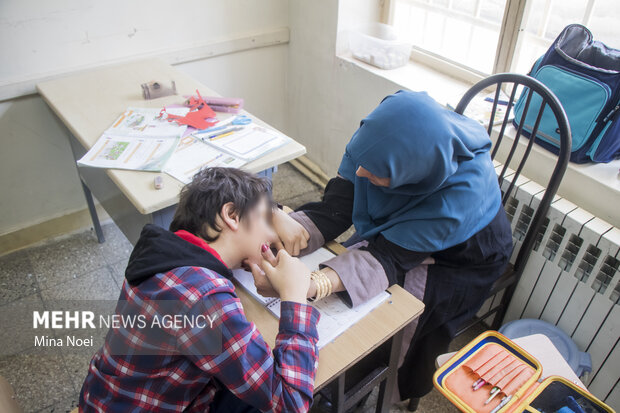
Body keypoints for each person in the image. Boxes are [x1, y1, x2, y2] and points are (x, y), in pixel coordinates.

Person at [268, 90, 513, 409]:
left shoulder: (455, 201)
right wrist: (295, 231)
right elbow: (340, 203)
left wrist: (311, 285)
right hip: (410, 237)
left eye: (376, 173)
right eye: (362, 160)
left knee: (386, 319)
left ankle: (354, 391)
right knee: (352, 274)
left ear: (410, 173)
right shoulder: (383, 140)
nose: (360, 173)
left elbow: (386, 258)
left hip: (462, 261)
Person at [79, 167, 320, 412]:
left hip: (104, 397)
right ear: (232, 215)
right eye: (264, 220)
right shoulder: (204, 298)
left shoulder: (167, 255)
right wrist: (295, 296)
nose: (271, 234)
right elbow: (291, 403)